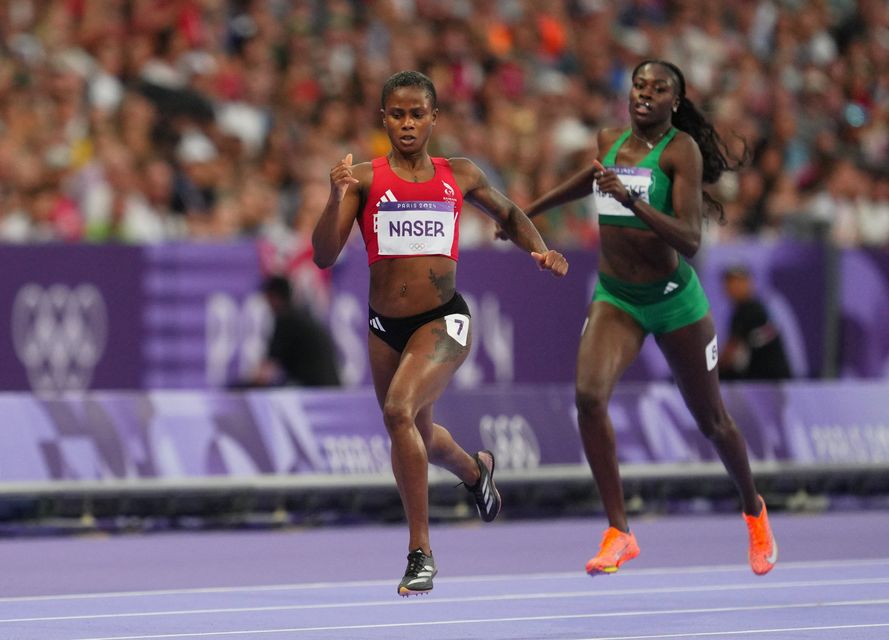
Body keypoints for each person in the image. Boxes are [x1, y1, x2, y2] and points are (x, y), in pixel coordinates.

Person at [311, 70, 568, 596]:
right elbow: (322, 255)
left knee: (398, 412)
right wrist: (335, 196)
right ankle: (476, 472)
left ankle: (420, 552)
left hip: (445, 320)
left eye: (416, 114)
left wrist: (538, 250)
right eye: (397, 114)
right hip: (385, 328)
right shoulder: (360, 179)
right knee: (418, 436)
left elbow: (509, 212)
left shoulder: (461, 174)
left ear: (434, 118)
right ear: (384, 118)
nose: (407, 123)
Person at [521, 60, 777, 576]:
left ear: (675, 103)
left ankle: (754, 509)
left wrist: (631, 199)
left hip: (674, 299)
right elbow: (587, 180)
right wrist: (527, 213)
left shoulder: (680, 151)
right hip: (617, 297)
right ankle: (619, 531)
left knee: (713, 421)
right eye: (639, 85)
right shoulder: (609, 138)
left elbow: (689, 238)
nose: (645, 94)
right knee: (589, 398)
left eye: (659, 89)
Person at [250, 275, 341, 388]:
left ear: (275, 297)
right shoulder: (300, 317)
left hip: (315, 389)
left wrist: (241, 390)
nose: (267, 303)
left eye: (268, 297)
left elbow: (265, 372)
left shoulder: (286, 320)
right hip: (331, 386)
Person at [719, 264, 792, 381]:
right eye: (730, 281)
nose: (734, 286)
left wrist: (708, 372)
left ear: (749, 283)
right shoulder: (745, 310)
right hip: (764, 380)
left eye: (739, 281)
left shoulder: (751, 310)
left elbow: (730, 354)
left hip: (769, 382)